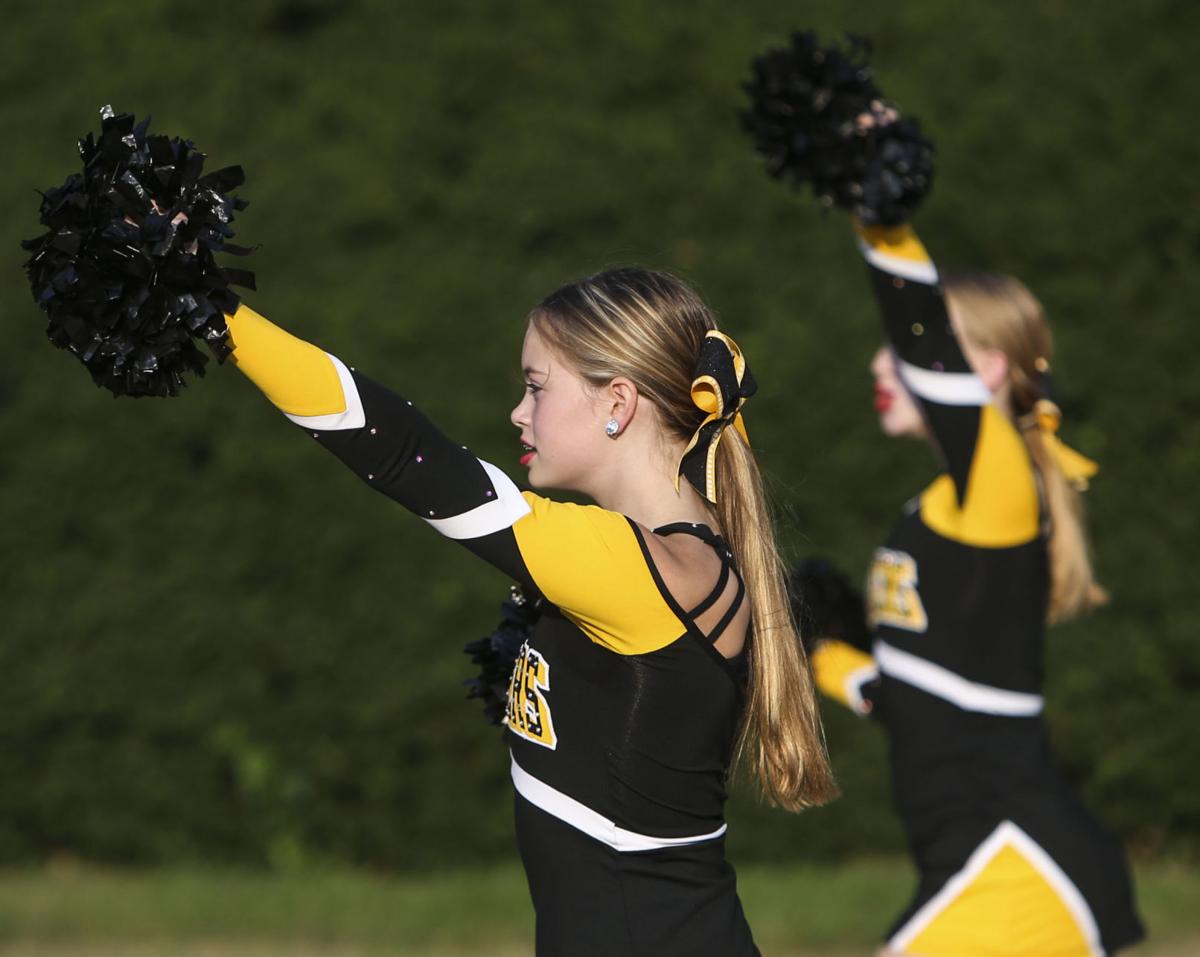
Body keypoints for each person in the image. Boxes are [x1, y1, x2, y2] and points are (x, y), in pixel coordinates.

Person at [222, 267, 836, 956]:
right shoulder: (679, 557)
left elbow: (401, 450)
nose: (518, 411)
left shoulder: (638, 569)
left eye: (537, 386)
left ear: (618, 402)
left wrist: (214, 314)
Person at [798, 198, 1145, 953]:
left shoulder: (999, 490)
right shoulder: (938, 509)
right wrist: (822, 654)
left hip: (1019, 860)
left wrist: (879, 221)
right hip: (988, 857)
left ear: (983, 370)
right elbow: (920, 701)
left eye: (903, 348)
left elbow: (932, 349)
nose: (878, 363)